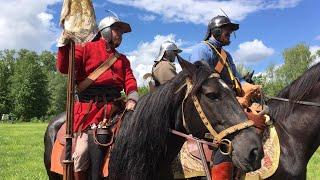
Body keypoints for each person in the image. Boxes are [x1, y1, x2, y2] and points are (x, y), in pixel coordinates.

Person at [56, 15, 138, 180]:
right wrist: (64, 44)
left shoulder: (123, 60)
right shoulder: (84, 49)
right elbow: (65, 67)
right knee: (80, 152)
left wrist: (132, 98)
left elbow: (130, 82)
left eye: (122, 32)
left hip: (116, 110)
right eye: (117, 30)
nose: (120, 35)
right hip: (89, 112)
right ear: (105, 31)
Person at [190, 15, 261, 180]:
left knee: (260, 120)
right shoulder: (201, 49)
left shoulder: (226, 55)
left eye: (230, 30)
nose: (229, 33)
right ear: (214, 30)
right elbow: (201, 81)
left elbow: (238, 78)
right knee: (226, 141)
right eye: (226, 29)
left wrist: (250, 87)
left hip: (229, 101)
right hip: (211, 103)